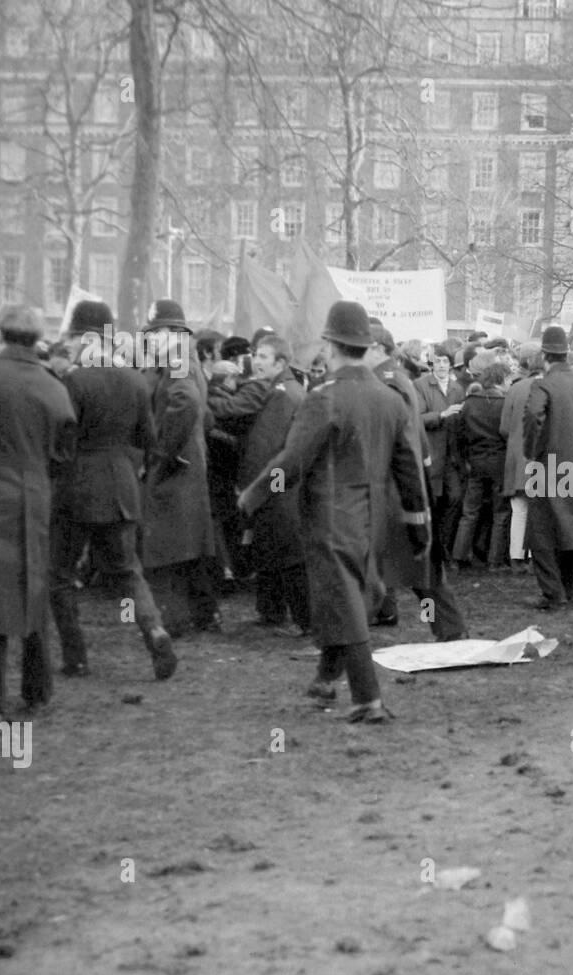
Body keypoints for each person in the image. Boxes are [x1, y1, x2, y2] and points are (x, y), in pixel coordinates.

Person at [238, 302, 429, 724]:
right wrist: (418, 523)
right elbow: (409, 471)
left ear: (331, 345)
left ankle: (367, 699)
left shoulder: (324, 399)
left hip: (331, 517)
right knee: (351, 598)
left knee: (345, 604)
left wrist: (252, 498)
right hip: (376, 518)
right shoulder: (390, 398)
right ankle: (325, 680)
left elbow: (291, 463)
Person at [0, 305, 77, 715]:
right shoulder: (54, 385)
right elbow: (64, 452)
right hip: (37, 491)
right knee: (34, 586)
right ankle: (37, 688)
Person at [51, 299, 177, 681]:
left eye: (74, 338)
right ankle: (154, 629)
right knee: (127, 572)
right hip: (122, 487)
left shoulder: (74, 380)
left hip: (77, 489)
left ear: (85, 338)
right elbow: (150, 441)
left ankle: (76, 657)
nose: (70, 346)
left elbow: (62, 440)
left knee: (58, 574)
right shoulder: (136, 380)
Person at [364, 327, 468, 642]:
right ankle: (437, 626)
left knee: (420, 572)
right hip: (402, 485)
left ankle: (445, 628)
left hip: (397, 487)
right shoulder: (397, 381)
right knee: (413, 569)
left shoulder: (389, 384)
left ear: (377, 348)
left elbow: (402, 441)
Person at [207, 332, 310, 632]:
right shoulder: (284, 388)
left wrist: (259, 489)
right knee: (269, 547)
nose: (257, 361)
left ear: (280, 362)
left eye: (263, 357)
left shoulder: (281, 393)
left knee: (285, 552)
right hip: (277, 484)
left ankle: (305, 620)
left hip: (277, 485)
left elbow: (269, 447)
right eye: (257, 355)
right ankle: (271, 610)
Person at [139, 299, 219, 636]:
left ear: (172, 333)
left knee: (167, 547)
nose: (151, 340)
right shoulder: (185, 358)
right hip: (188, 462)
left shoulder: (176, 361)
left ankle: (174, 621)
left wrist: (162, 450)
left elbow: (185, 402)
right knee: (191, 544)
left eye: (155, 333)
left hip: (176, 464)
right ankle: (204, 616)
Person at [524, 325, 573, 609]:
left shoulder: (543, 384)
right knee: (571, 527)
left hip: (547, 464)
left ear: (544, 354)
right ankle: (566, 588)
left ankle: (553, 593)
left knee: (539, 531)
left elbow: (532, 413)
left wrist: (532, 450)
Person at [453, 362, 511, 569]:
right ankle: (494, 560)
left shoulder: (469, 402)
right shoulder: (505, 402)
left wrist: (465, 459)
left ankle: (459, 557)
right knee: (500, 512)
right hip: (499, 462)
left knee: (470, 511)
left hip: (476, 461)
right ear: (501, 379)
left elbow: (460, 434)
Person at [414, 345, 465, 560]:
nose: (442, 365)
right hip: (432, 454)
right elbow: (417, 417)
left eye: (446, 361)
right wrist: (442, 415)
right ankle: (430, 550)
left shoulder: (457, 388)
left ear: (451, 364)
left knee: (454, 498)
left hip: (452, 457)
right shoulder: (421, 385)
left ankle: (443, 547)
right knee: (433, 502)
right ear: (432, 363)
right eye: (438, 361)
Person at [500, 342, 543, 572]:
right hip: (540, 457)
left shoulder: (515, 388)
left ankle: (516, 557)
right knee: (540, 512)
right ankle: (536, 557)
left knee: (519, 509)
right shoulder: (548, 387)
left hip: (517, 456)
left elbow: (504, 427)